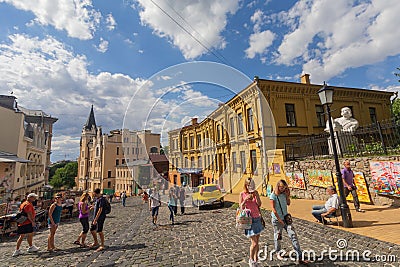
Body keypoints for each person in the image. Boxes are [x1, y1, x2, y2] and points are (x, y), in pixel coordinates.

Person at [270, 179, 309, 264]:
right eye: (281, 187)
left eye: (284, 187)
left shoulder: (284, 194)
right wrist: (279, 220)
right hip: (277, 220)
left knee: (293, 235)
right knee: (278, 236)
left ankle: (300, 256)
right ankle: (278, 252)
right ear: (278, 186)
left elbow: (288, 203)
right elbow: (273, 209)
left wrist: (287, 196)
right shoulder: (273, 196)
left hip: (286, 218)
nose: (283, 189)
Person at [239, 178, 264, 267]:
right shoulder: (242, 194)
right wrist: (245, 199)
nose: (250, 186)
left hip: (257, 218)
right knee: (254, 243)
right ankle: (251, 259)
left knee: (257, 242)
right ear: (246, 185)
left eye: (252, 184)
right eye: (248, 184)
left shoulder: (255, 193)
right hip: (249, 220)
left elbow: (259, 204)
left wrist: (256, 195)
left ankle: (256, 259)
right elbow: (240, 207)